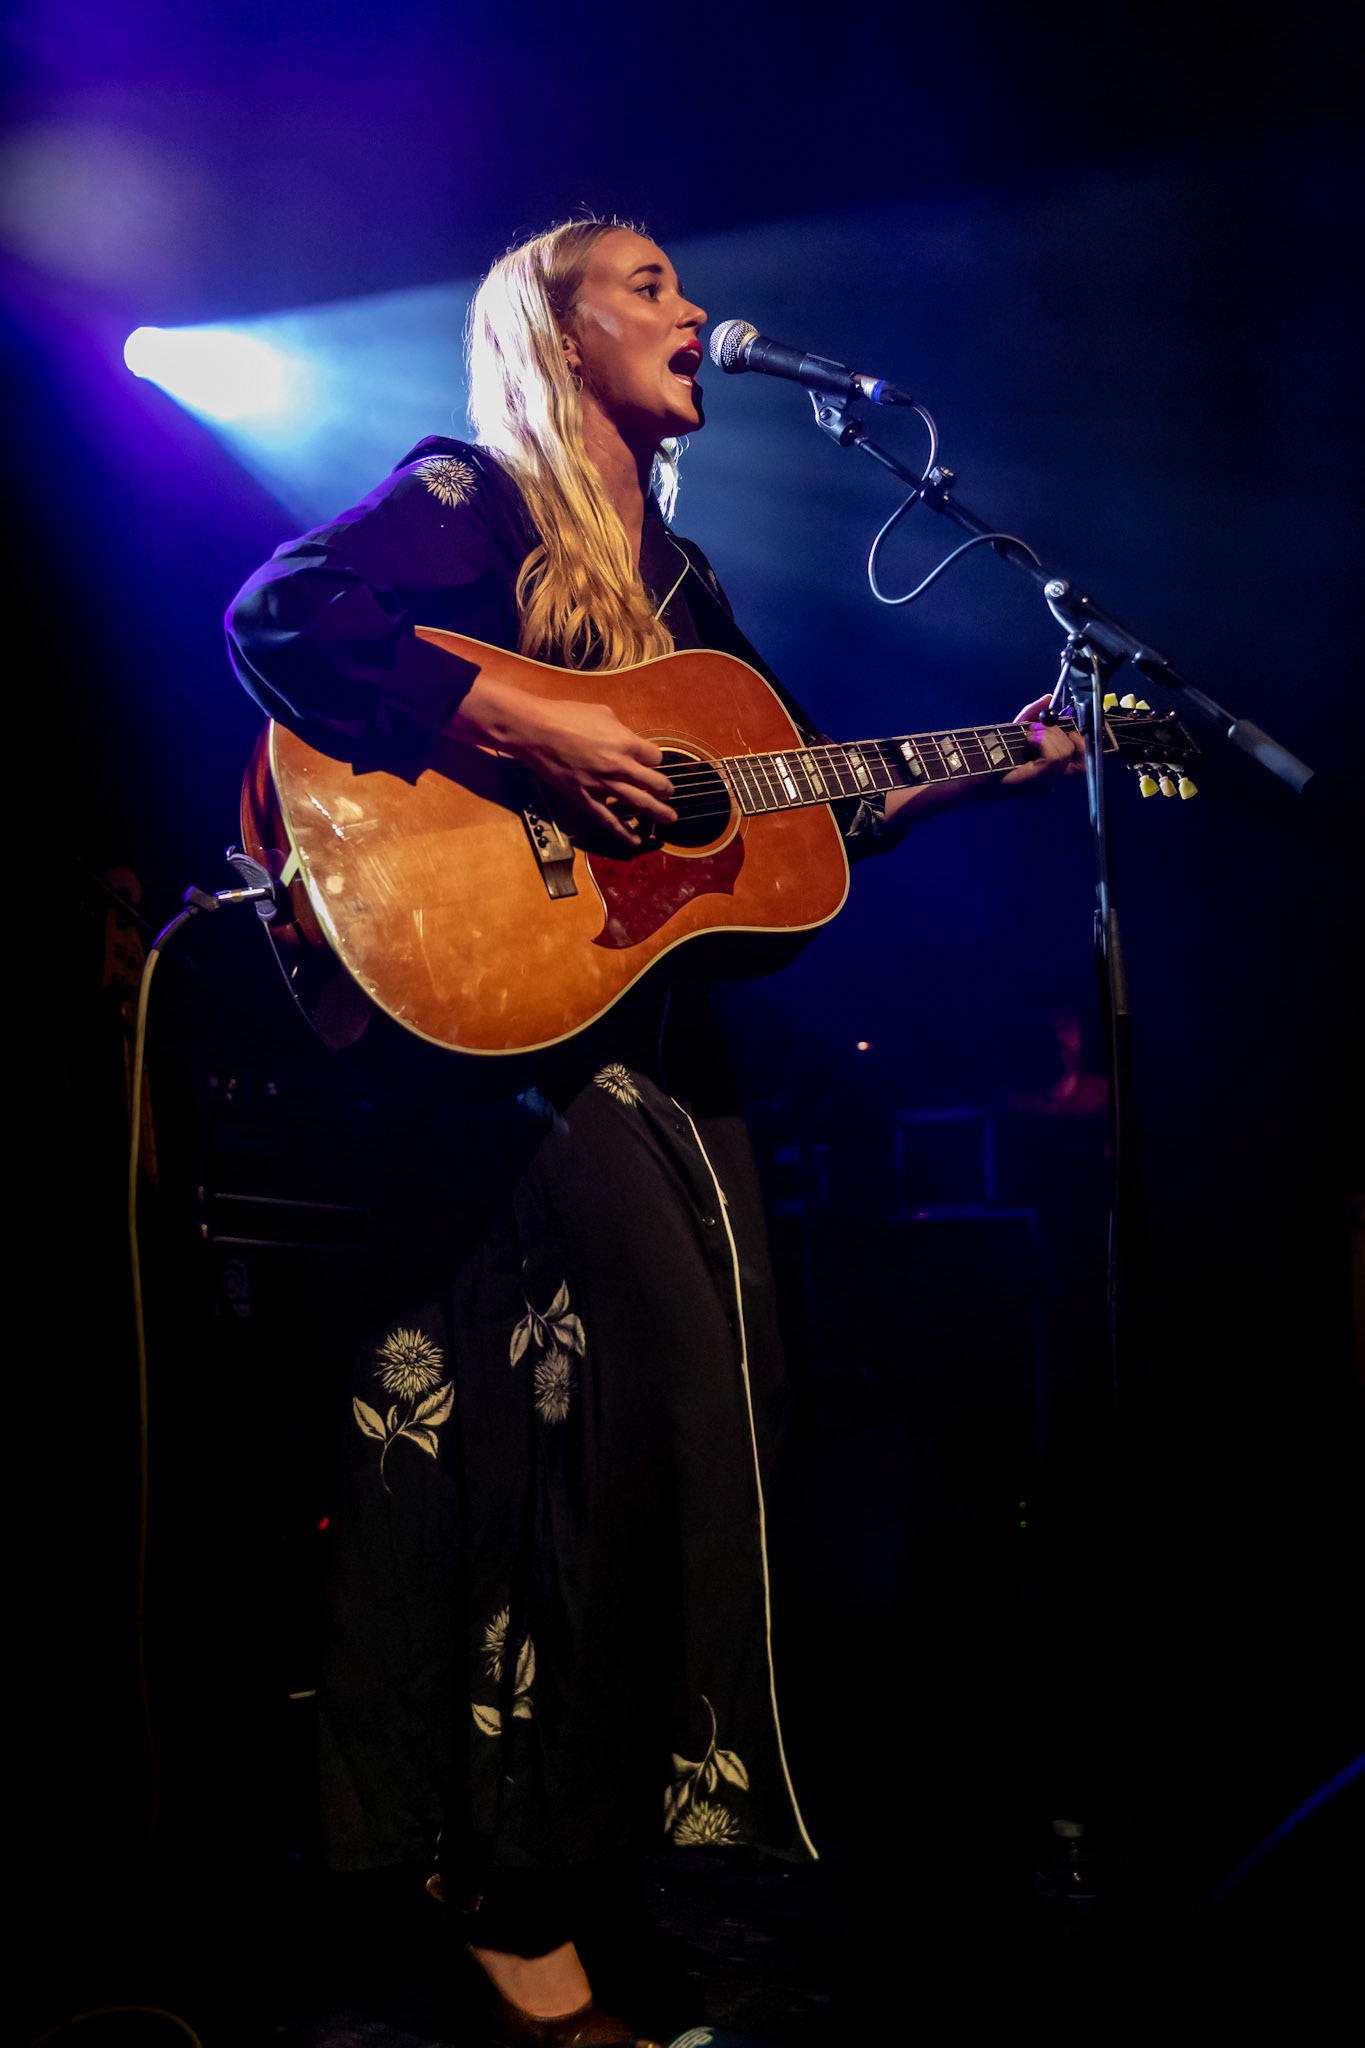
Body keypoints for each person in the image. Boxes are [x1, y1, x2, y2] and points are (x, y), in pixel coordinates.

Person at [227, 217, 1083, 2047]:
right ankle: (566, 1891)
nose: (693, 313)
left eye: (684, 285)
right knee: (667, 1413)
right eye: (649, 285)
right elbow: (285, 613)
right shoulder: (469, 498)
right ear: (554, 328)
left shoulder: (681, 585)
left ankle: (582, 1871)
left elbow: (770, 811)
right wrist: (529, 722)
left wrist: (974, 767)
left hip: (631, 1047)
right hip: (501, 1055)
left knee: (683, 1437)